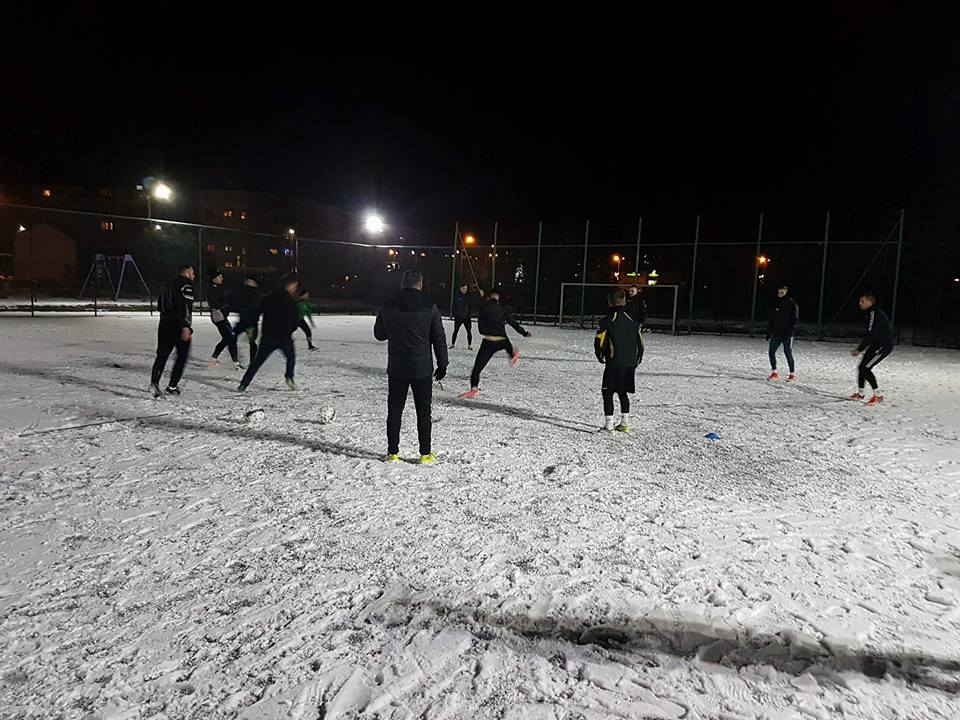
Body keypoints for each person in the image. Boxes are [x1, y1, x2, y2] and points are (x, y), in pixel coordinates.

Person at [374, 271, 448, 464]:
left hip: (397, 367)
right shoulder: (430, 307)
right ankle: (425, 454)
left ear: (403, 284)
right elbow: (438, 338)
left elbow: (379, 334)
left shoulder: (388, 305)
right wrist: (443, 364)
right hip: (422, 368)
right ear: (421, 285)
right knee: (423, 412)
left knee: (395, 410)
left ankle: (393, 453)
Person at [460, 289, 531, 399]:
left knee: (477, 369)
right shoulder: (503, 309)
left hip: (489, 341)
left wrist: (480, 295)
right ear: (497, 298)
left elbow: (472, 301)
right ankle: (512, 352)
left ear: (489, 297)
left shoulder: (483, 305)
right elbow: (513, 323)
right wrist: (524, 333)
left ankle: (474, 389)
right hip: (502, 340)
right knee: (506, 343)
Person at [238, 274, 301, 392]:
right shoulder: (291, 301)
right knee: (291, 357)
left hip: (268, 337)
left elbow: (256, 313)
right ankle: (289, 377)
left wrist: (252, 325)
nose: (295, 288)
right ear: (289, 285)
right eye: (294, 286)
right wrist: (290, 329)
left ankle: (244, 384)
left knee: (257, 362)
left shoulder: (268, 299)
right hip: (284, 337)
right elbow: (296, 320)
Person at [595, 288, 642, 432]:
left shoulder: (607, 320)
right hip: (629, 363)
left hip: (614, 362)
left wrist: (600, 355)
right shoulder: (633, 321)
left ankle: (608, 425)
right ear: (624, 301)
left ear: (610, 302)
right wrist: (636, 361)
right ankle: (624, 423)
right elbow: (640, 344)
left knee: (607, 392)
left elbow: (599, 342)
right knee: (623, 392)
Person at [150, 264, 195, 397]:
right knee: (182, 356)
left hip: (164, 323)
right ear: (187, 272)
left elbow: (160, 305)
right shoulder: (186, 286)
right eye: (193, 272)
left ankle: (154, 383)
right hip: (179, 326)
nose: (194, 275)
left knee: (162, 355)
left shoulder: (167, 285)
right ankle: (172, 386)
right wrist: (186, 326)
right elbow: (186, 307)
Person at [850, 292, 894, 405]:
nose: (860, 303)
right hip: (876, 345)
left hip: (884, 346)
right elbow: (872, 335)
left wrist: (859, 349)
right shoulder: (871, 313)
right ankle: (860, 394)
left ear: (870, 302)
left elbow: (871, 334)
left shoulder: (874, 313)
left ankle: (878, 396)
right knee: (861, 367)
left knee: (866, 368)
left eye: (862, 301)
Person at [206, 269, 241, 369]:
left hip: (222, 317)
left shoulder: (219, 288)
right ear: (214, 278)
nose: (222, 278)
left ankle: (216, 359)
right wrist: (227, 300)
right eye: (220, 276)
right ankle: (234, 363)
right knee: (230, 337)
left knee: (229, 338)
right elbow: (215, 304)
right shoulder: (211, 289)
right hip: (219, 317)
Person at [766, 284, 799, 381]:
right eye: (779, 292)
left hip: (787, 335)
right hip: (776, 333)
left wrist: (790, 332)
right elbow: (772, 319)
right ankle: (774, 372)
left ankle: (792, 374)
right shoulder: (776, 304)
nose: (780, 294)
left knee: (787, 353)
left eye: (782, 293)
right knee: (771, 351)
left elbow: (795, 320)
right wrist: (769, 331)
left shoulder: (792, 305)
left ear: (786, 292)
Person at [234, 277, 261, 362]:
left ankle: (247, 361)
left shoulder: (252, 294)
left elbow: (241, 305)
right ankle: (249, 361)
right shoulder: (254, 294)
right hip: (248, 322)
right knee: (252, 342)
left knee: (251, 342)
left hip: (247, 322)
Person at [450, 284, 474, 350]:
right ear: (460, 288)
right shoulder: (457, 296)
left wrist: (469, 314)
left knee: (469, 331)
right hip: (458, 317)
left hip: (467, 318)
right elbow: (454, 306)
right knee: (455, 331)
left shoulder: (468, 296)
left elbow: (470, 306)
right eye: (463, 288)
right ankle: (452, 344)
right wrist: (455, 315)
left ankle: (469, 345)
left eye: (466, 288)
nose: (465, 290)